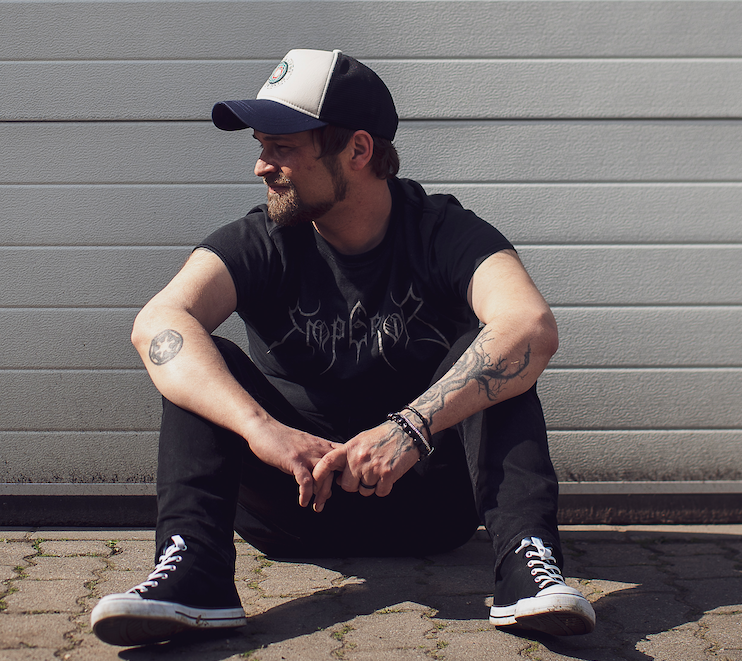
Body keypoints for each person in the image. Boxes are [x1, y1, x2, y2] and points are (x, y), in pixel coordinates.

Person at [90, 48, 596, 647]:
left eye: (282, 147)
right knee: (200, 359)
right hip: (294, 507)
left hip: (428, 507)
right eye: (261, 145)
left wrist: (410, 428)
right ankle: (194, 573)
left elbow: (531, 326)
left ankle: (527, 565)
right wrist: (262, 429)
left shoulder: (440, 232)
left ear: (358, 150)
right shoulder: (264, 240)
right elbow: (157, 323)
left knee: (495, 353)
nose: (261, 166)